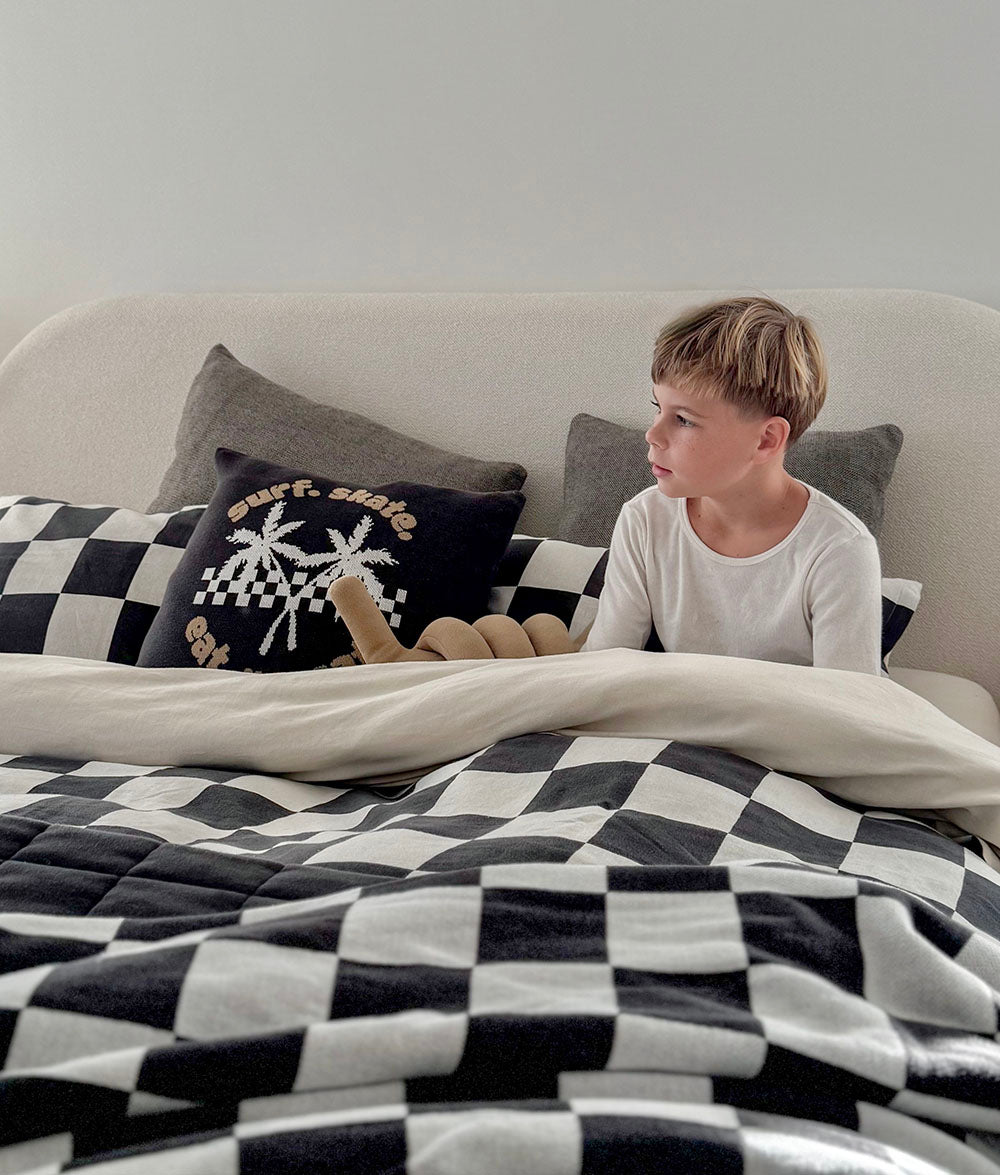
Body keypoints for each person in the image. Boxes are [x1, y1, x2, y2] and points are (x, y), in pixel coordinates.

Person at [581, 295, 885, 676]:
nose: (652, 434)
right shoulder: (644, 520)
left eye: (684, 420)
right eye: (658, 408)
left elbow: (848, 710)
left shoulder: (839, 550)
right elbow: (599, 672)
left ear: (766, 440)